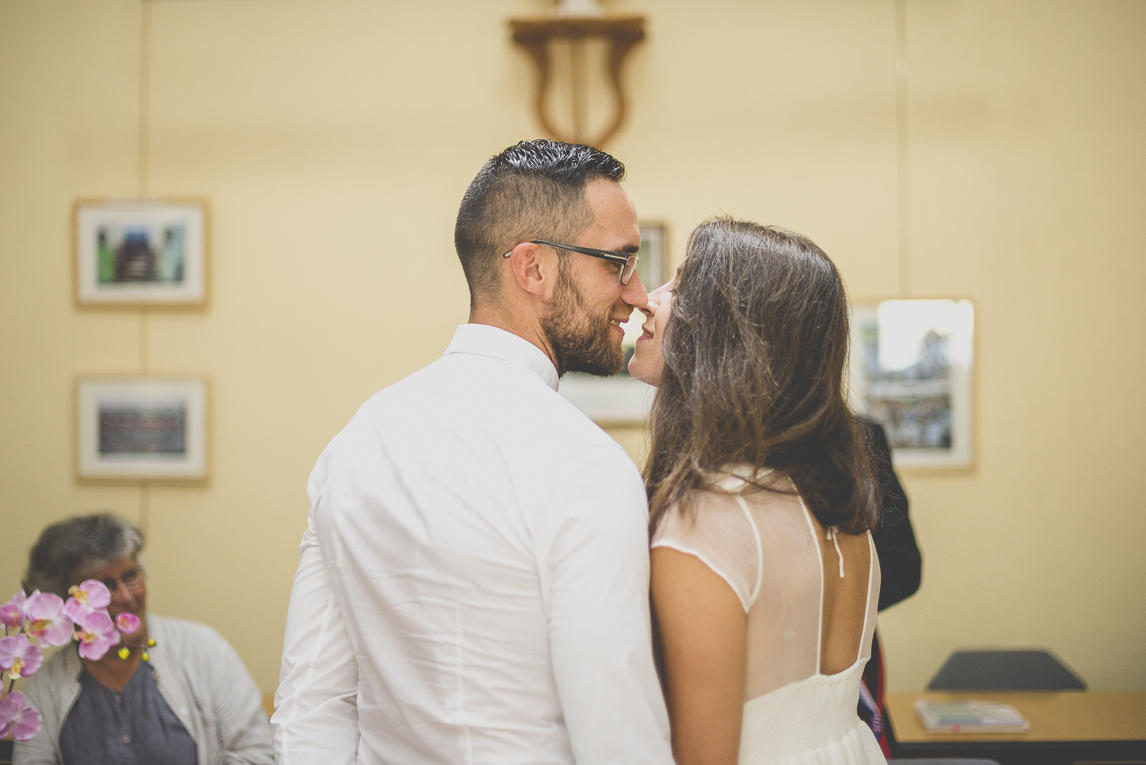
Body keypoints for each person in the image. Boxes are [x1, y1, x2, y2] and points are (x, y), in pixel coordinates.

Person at [272, 140, 673, 765]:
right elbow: (618, 737)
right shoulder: (584, 466)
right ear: (533, 269)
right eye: (618, 263)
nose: (637, 293)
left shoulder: (355, 443)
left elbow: (310, 707)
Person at [630, 218, 886, 765]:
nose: (648, 300)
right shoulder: (837, 505)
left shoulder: (707, 524)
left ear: (727, 331)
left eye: (678, 286)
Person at [14, 513, 273, 765]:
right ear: (65, 604)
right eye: (105, 588)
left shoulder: (203, 650)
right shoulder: (47, 685)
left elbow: (256, 754)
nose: (126, 597)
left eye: (131, 576)